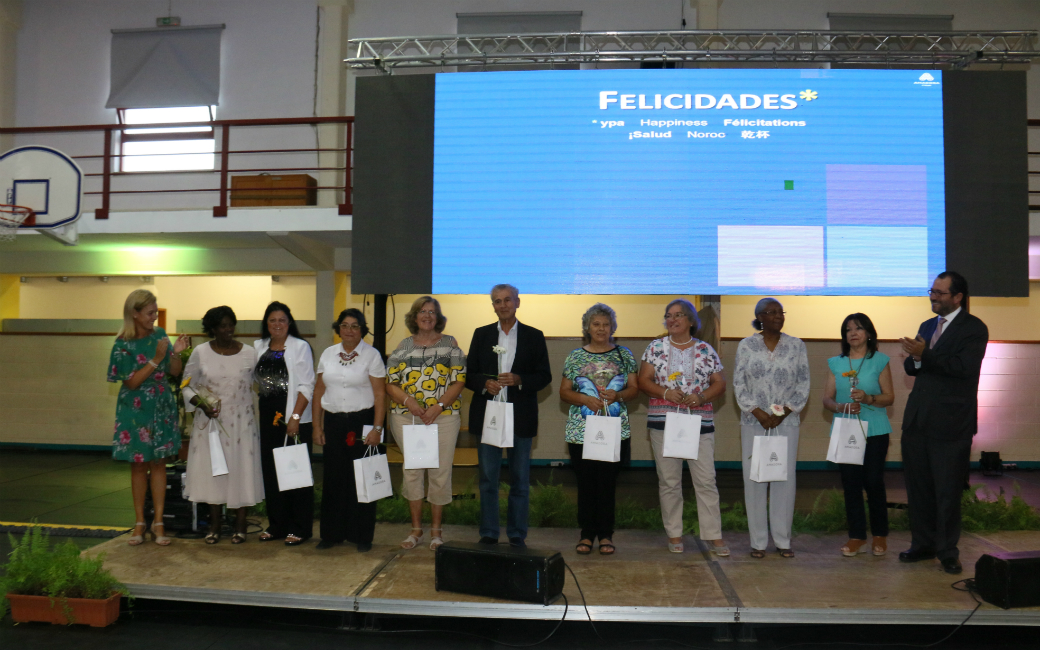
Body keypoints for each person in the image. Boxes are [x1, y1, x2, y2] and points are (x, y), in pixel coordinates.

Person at [898, 272, 989, 575]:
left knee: (948, 491)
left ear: (958, 297)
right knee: (919, 488)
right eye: (931, 291)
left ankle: (947, 551)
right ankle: (922, 544)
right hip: (918, 422)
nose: (933, 296)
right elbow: (913, 368)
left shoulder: (974, 328)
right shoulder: (927, 326)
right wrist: (916, 357)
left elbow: (964, 368)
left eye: (939, 292)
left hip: (951, 425)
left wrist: (926, 354)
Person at [638, 299, 729, 556]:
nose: (672, 319)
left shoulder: (705, 349)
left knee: (706, 480)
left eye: (678, 315)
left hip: (699, 422)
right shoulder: (655, 348)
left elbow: (719, 384)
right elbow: (643, 381)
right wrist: (665, 392)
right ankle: (674, 534)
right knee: (669, 481)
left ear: (690, 320)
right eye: (668, 315)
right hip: (663, 422)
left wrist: (701, 397)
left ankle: (714, 536)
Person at [466, 284, 552, 548]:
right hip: (489, 414)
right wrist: (484, 383)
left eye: (507, 300)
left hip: (520, 415)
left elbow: (544, 376)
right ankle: (489, 532)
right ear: (493, 305)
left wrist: (520, 380)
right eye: (497, 301)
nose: (502, 305)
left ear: (517, 302)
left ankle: (517, 533)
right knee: (488, 477)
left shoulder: (534, 336)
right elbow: (468, 374)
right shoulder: (481, 335)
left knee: (520, 478)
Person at [108, 289, 189, 546]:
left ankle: (159, 523)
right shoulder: (122, 344)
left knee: (159, 463)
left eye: (156, 312)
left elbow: (174, 372)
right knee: (139, 464)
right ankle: (140, 522)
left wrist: (175, 352)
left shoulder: (161, 335)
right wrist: (155, 359)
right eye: (150, 313)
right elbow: (131, 383)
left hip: (161, 406)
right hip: (135, 409)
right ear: (135, 313)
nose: (155, 317)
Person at [386, 297, 467, 550]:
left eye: (433, 312)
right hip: (406, 417)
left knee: (440, 472)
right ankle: (416, 531)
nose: (428, 316)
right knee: (413, 471)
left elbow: (459, 380)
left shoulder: (450, 344)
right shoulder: (403, 346)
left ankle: (436, 532)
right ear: (414, 316)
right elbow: (389, 382)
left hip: (443, 417)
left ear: (438, 317)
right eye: (423, 311)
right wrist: (409, 401)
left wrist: (438, 406)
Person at [733, 298, 810, 559]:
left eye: (781, 312)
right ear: (760, 317)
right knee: (754, 479)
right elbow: (739, 384)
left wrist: (782, 412)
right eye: (772, 312)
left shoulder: (796, 345)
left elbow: (803, 384)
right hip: (754, 422)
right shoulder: (746, 345)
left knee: (783, 479)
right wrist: (758, 412)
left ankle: (783, 540)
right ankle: (757, 542)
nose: (778, 316)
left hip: (786, 423)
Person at [559, 303, 639, 555]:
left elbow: (635, 389)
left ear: (612, 327)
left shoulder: (624, 355)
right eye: (596, 324)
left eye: (606, 324)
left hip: (614, 428)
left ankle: (605, 534)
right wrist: (585, 399)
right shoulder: (574, 356)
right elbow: (564, 392)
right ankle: (586, 534)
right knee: (585, 482)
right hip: (581, 431)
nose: (601, 328)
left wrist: (618, 395)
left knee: (607, 483)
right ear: (587, 327)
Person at [182, 306, 263, 544]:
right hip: (210, 422)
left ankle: (240, 525)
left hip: (242, 424)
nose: (228, 330)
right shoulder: (200, 352)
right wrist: (200, 404)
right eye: (222, 326)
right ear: (212, 329)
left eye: (231, 325)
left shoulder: (250, 353)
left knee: (241, 469)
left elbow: (262, 385)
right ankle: (214, 526)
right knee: (213, 472)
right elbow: (186, 385)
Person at [313, 309, 387, 552]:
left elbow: (379, 394)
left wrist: (377, 428)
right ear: (338, 328)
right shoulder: (328, 354)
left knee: (363, 479)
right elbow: (319, 391)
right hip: (334, 422)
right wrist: (317, 425)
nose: (349, 330)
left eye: (355, 326)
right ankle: (331, 534)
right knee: (334, 478)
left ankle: (361, 535)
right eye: (345, 325)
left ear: (362, 329)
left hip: (362, 422)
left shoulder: (372, 355)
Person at [822, 313, 895, 557]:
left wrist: (868, 398)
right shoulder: (836, 363)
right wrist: (841, 407)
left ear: (869, 333)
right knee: (851, 484)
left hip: (875, 429)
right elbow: (827, 399)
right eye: (848, 329)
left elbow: (889, 397)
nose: (853, 333)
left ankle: (880, 535)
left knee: (873, 482)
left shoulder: (880, 360)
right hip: (846, 428)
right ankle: (856, 536)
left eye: (859, 328)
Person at [253, 302, 316, 546]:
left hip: (293, 416)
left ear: (289, 323)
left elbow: (306, 385)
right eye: (272, 320)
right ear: (266, 324)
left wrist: (296, 417)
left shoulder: (300, 347)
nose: (277, 324)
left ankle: (300, 527)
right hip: (267, 415)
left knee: (295, 472)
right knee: (271, 472)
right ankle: (277, 525)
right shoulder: (258, 346)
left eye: (281, 320)